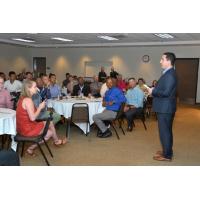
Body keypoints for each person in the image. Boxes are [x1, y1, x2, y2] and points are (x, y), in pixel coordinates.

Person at [16, 80, 66, 156]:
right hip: (27, 129)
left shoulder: (23, 98)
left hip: (23, 127)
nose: (37, 88)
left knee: (50, 133)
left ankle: (30, 149)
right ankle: (56, 141)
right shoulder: (28, 100)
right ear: (28, 89)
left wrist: (40, 107)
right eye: (35, 87)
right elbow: (33, 118)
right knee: (50, 124)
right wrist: (40, 108)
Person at [147, 52, 177, 162]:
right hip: (165, 107)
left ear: (168, 61)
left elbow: (166, 93)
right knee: (167, 131)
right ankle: (167, 151)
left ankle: (167, 155)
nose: (160, 61)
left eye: (162, 59)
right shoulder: (168, 73)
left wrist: (153, 91)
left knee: (164, 132)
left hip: (165, 108)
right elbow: (164, 89)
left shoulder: (170, 74)